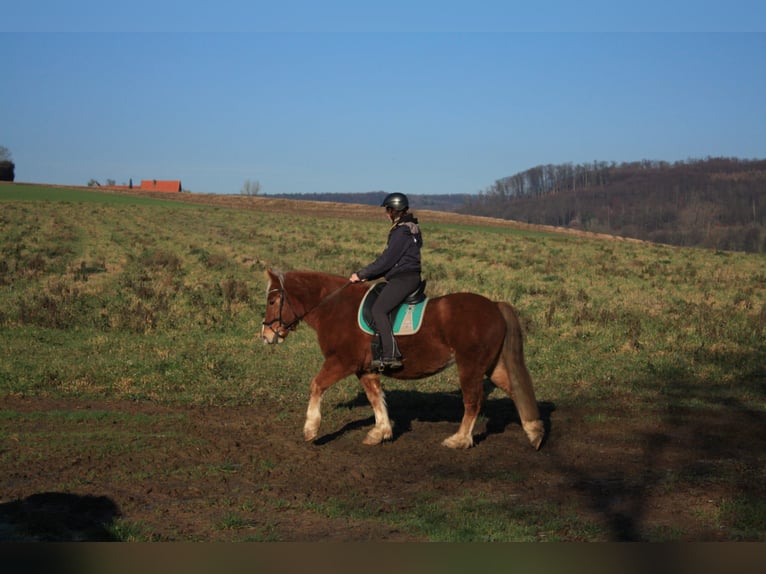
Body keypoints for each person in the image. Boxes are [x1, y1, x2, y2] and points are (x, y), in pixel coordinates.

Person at [350, 192, 423, 370]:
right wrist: (370, 276)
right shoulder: (410, 227)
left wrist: (361, 274)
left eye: (387, 210)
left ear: (394, 211)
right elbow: (393, 262)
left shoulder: (402, 231)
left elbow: (387, 260)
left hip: (404, 278)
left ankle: (390, 355)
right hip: (406, 276)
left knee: (379, 309)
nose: (386, 214)